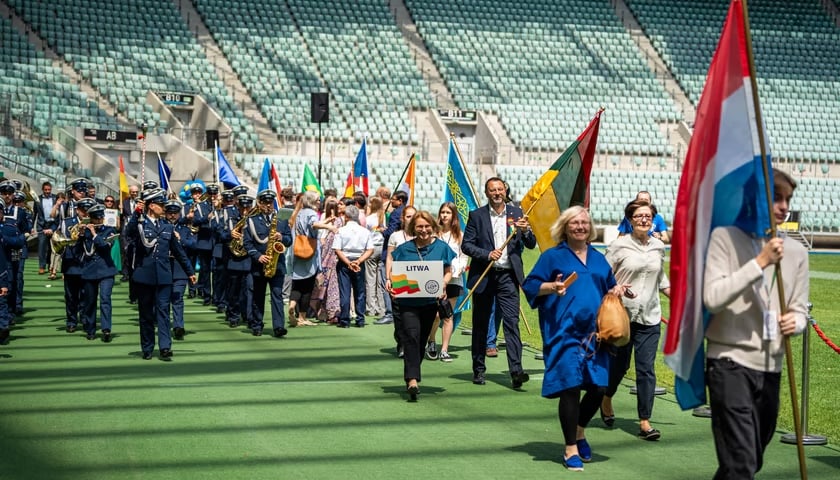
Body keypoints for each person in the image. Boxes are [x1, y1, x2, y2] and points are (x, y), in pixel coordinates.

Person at [704, 169, 809, 479]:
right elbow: (712, 297)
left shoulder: (798, 252)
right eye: (776, 197)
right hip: (729, 361)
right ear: (754, 197)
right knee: (741, 463)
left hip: (771, 366)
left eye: (787, 199)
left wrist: (798, 321)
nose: (783, 205)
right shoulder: (724, 238)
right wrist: (759, 263)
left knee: (749, 460)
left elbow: (800, 308)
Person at [521, 206, 623, 471]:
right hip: (563, 332)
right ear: (565, 227)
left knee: (599, 387)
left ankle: (579, 430)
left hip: (595, 334)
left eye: (584, 223)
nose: (580, 226)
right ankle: (570, 449)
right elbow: (530, 285)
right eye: (575, 223)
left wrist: (618, 289)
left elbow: (607, 285)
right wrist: (551, 287)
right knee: (570, 387)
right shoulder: (552, 257)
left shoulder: (599, 259)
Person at [601, 200, 671, 440]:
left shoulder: (659, 247)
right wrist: (616, 287)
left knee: (646, 369)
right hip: (622, 317)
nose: (644, 219)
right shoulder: (619, 246)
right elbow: (603, 277)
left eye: (648, 216)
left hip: (650, 317)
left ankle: (644, 421)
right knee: (619, 367)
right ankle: (606, 397)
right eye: (639, 216)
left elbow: (662, 280)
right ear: (630, 220)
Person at [462, 177, 535, 388]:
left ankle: (516, 371)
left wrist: (527, 230)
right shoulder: (477, 216)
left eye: (500, 189)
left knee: (512, 323)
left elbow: (531, 244)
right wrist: (486, 254)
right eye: (492, 190)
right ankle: (478, 369)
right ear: (487, 193)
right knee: (481, 324)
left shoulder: (517, 214)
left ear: (505, 191)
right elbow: (467, 245)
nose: (497, 193)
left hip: (508, 277)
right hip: (484, 275)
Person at [387, 211, 454, 400]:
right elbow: (395, 271)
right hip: (407, 302)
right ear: (413, 228)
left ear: (432, 226)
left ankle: (413, 373)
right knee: (411, 337)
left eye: (426, 226)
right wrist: (390, 282)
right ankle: (412, 380)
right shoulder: (404, 249)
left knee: (421, 340)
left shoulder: (442, 248)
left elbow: (448, 271)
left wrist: (443, 283)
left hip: (430, 303)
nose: (423, 230)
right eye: (419, 226)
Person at [126, 188, 196, 360]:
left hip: (164, 276)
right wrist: (136, 213)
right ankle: (148, 347)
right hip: (145, 277)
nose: (163, 207)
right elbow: (129, 233)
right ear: (151, 206)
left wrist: (190, 272)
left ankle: (165, 347)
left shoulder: (167, 226)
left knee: (164, 312)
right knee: (146, 315)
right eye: (160, 204)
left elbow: (178, 251)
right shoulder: (140, 224)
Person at [242, 190, 292, 337]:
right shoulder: (252, 220)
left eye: (270, 202)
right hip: (259, 264)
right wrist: (258, 256)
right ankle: (257, 325)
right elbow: (247, 243)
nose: (268, 205)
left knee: (277, 295)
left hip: (277, 265)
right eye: (265, 202)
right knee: (258, 296)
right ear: (259, 203)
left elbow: (289, 240)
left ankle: (279, 327)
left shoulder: (281, 220)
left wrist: (281, 236)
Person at [288, 191, 333, 327]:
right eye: (318, 200)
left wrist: (325, 221)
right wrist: (329, 226)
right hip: (309, 251)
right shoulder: (312, 213)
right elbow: (313, 225)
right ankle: (302, 316)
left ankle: (292, 304)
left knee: (297, 283)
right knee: (307, 286)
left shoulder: (300, 212)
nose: (320, 202)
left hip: (298, 249)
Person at [78, 204, 119, 342]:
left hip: (106, 270)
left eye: (101, 217)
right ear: (91, 219)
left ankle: (106, 329)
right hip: (89, 270)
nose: (99, 220)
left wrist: (94, 234)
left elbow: (104, 247)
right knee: (90, 301)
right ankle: (90, 329)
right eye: (96, 218)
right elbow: (78, 250)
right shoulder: (85, 232)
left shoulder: (110, 230)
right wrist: (80, 235)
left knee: (105, 299)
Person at [332, 205, 374, 328]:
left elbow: (337, 249)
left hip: (345, 262)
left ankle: (345, 320)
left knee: (345, 291)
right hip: (359, 261)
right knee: (360, 291)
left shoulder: (341, 230)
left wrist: (348, 262)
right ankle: (360, 319)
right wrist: (359, 261)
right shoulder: (365, 231)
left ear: (346, 216)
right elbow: (370, 249)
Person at [434, 202, 466, 363]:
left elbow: (463, 256)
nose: (445, 215)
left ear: (453, 216)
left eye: (448, 212)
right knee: (435, 315)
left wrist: (458, 269)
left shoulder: (459, 235)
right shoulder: (434, 233)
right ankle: (431, 341)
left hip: (453, 279)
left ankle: (444, 349)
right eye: (442, 212)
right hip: (434, 278)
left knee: (447, 314)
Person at [375, 191, 408, 325]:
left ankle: (390, 313)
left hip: (391, 252)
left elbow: (390, 232)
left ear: (400, 200)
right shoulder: (403, 211)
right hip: (402, 254)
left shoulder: (396, 213)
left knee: (388, 283)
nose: (391, 202)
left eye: (393, 199)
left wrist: (383, 230)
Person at [164, 200, 195, 341]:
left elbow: (193, 244)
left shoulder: (184, 229)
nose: (172, 216)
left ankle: (178, 326)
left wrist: (180, 239)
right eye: (169, 213)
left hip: (179, 268)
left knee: (177, 298)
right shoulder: (161, 227)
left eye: (175, 213)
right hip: (163, 268)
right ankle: (163, 324)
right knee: (163, 300)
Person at [0, 199, 24, 344]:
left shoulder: (8, 227)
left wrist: (4, 239)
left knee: (3, 301)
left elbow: (19, 241)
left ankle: (4, 326)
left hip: (5, 268)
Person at [364, 196, 386, 318]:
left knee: (370, 280)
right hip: (382, 247)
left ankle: (370, 308)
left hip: (372, 248)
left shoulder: (369, 219)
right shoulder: (383, 217)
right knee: (380, 281)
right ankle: (381, 307)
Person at [33, 181, 57, 275]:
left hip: (52, 225)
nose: (47, 191)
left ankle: (50, 266)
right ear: (43, 190)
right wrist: (31, 227)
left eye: (49, 189)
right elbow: (35, 214)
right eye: (46, 190)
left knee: (52, 248)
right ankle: (41, 266)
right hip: (42, 226)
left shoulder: (55, 198)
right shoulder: (37, 200)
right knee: (42, 247)